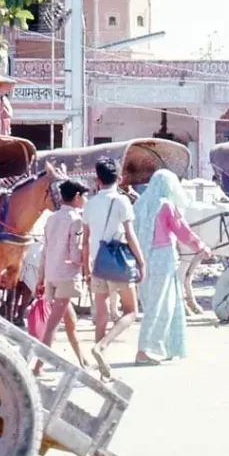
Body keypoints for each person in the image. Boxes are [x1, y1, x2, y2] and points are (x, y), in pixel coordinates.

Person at [130, 170, 209, 364]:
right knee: (162, 305)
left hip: (143, 260)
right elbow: (182, 230)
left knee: (155, 304)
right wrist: (201, 247)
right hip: (162, 258)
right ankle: (144, 350)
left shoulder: (140, 204)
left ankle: (166, 346)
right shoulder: (165, 205)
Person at [82, 158, 146, 380]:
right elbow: (130, 234)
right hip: (117, 262)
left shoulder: (89, 204)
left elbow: (85, 240)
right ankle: (102, 346)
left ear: (97, 180)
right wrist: (141, 261)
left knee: (101, 314)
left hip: (97, 262)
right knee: (130, 311)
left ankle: (101, 369)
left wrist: (85, 269)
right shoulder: (122, 201)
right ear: (119, 179)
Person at [34, 180, 90, 375]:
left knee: (70, 321)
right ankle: (38, 367)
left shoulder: (52, 219)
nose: (85, 200)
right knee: (53, 325)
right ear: (77, 197)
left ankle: (83, 360)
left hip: (51, 275)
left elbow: (45, 251)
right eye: (84, 196)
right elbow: (75, 252)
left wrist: (40, 278)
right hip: (66, 275)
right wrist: (85, 261)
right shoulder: (76, 220)